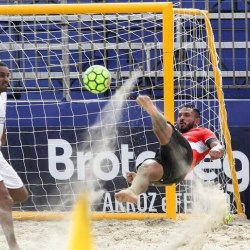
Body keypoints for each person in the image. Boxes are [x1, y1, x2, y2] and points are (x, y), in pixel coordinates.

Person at [115, 95, 225, 204]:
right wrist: (140, 178)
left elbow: (217, 145)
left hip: (185, 157)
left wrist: (217, 149)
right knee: (146, 167)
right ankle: (131, 192)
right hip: (175, 174)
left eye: (187, 115)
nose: (182, 118)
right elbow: (167, 182)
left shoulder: (203, 131)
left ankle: (151, 108)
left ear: (197, 121)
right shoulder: (174, 133)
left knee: (163, 129)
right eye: (180, 115)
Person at [0, 62, 28, 250]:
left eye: (8, 75)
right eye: (2, 75)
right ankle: (13, 246)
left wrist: (2, 134)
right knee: (5, 199)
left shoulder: (3, 95)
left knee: (20, 195)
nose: (6, 80)